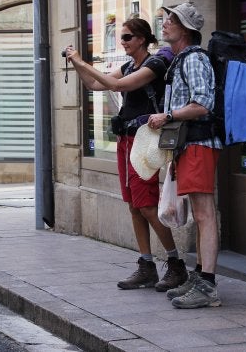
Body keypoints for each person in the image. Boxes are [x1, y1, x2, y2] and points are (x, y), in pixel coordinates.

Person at [65, 18, 188, 292]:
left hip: (145, 140)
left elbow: (116, 86)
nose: (123, 42)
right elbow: (96, 86)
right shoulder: (130, 65)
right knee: (133, 204)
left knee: (146, 204)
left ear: (142, 39)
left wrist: (81, 60)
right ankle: (146, 265)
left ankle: (176, 264)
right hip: (126, 139)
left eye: (128, 37)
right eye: (122, 37)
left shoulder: (153, 65)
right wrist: (76, 63)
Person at [147, 3, 223, 308]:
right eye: (166, 19)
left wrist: (166, 116)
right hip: (191, 144)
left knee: (204, 214)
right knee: (200, 214)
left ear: (186, 30)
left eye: (172, 20)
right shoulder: (182, 59)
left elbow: (203, 104)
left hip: (199, 143)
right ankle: (200, 278)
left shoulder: (193, 59)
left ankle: (208, 286)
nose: (165, 24)